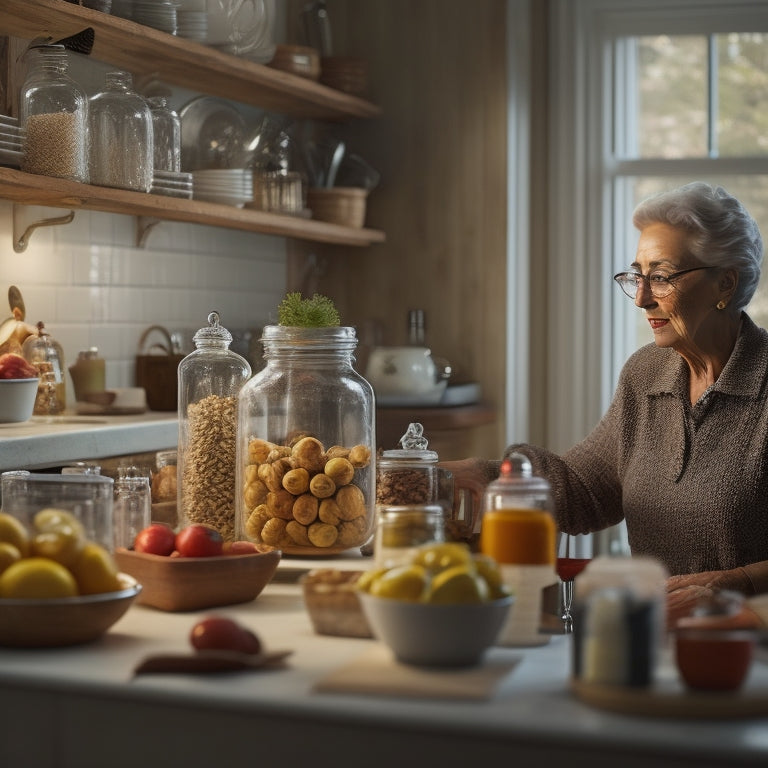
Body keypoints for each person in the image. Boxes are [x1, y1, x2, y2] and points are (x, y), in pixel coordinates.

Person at [444, 182, 768, 626]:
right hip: (652, 639)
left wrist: (734, 585)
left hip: (747, 652)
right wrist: (490, 475)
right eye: (638, 275)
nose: (641, 298)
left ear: (725, 283)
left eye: (661, 276)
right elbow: (585, 488)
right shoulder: (646, 373)